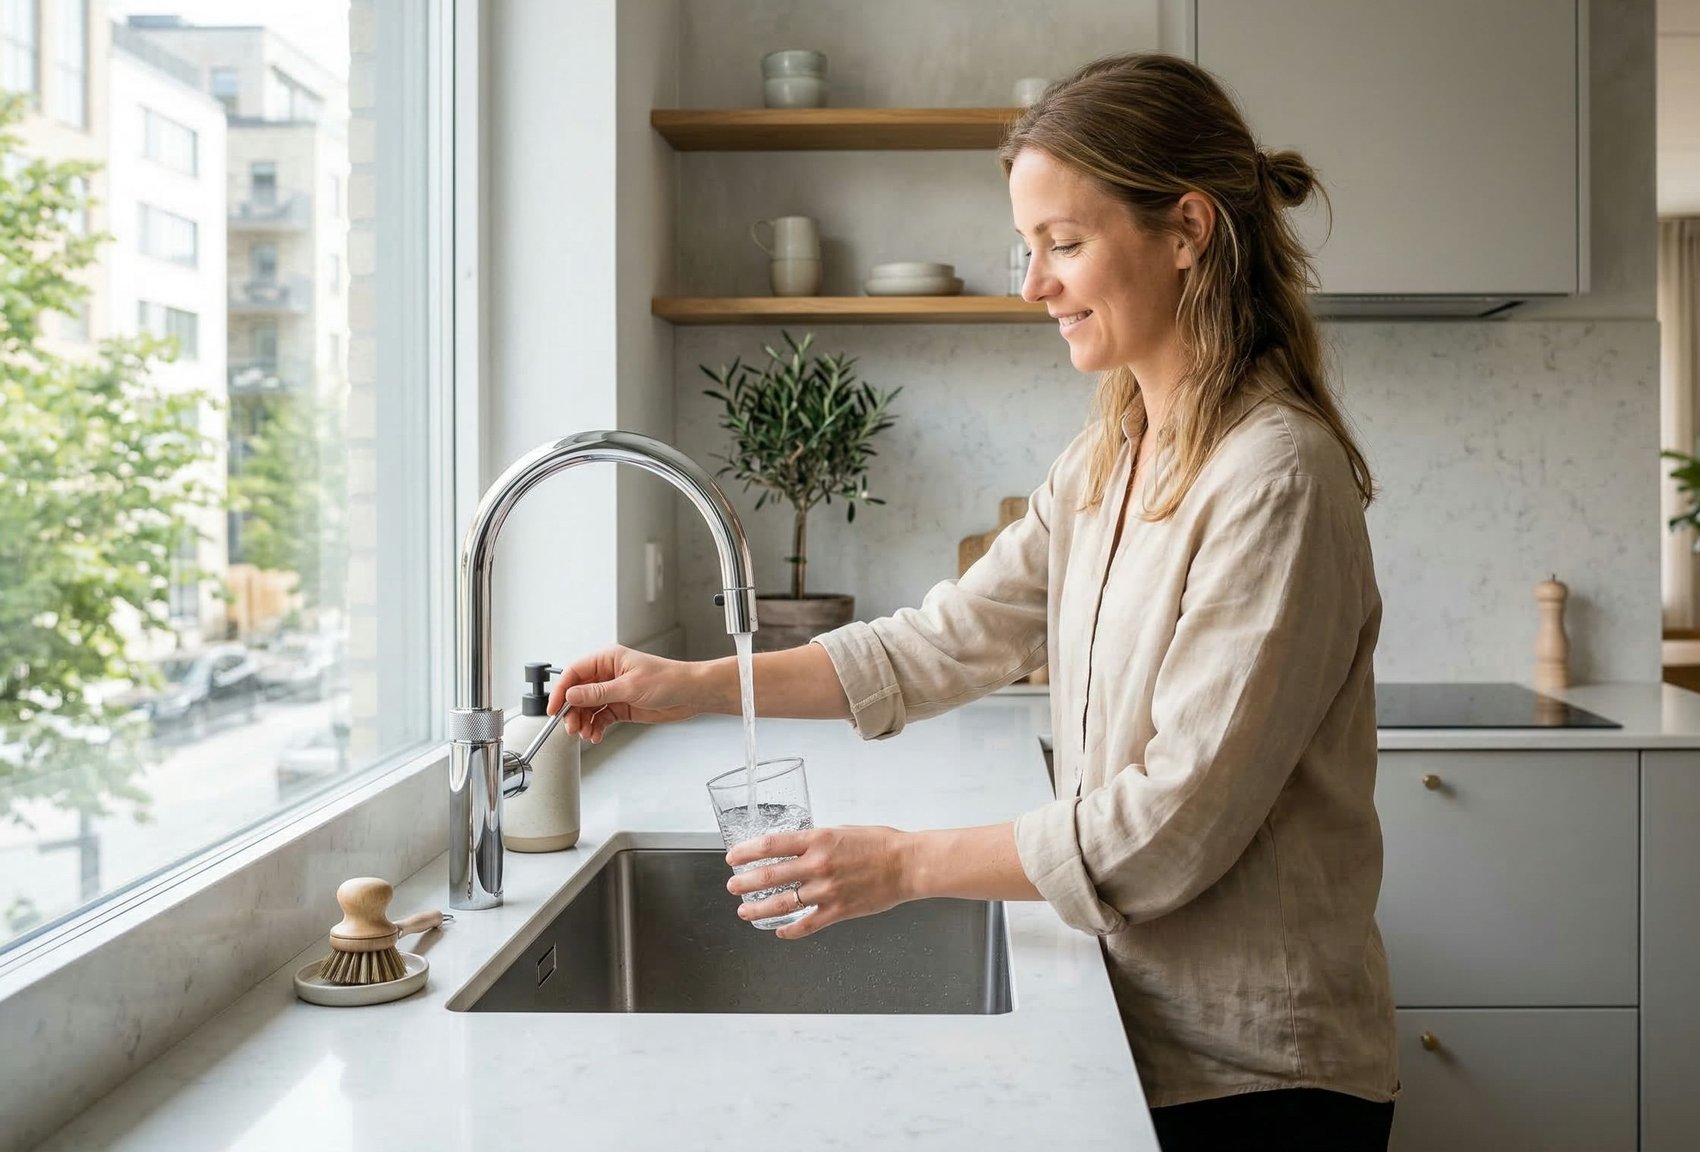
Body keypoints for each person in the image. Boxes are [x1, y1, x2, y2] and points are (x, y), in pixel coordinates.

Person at [550, 52, 1396, 1151]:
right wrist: (692, 686)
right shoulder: (1113, 454)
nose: (1034, 283)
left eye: (1065, 243)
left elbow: (1168, 831)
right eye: (1028, 246)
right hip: (1146, 1033)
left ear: (1187, 231)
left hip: (1260, 1077)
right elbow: (935, 646)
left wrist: (901, 866)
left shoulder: (1273, 475)